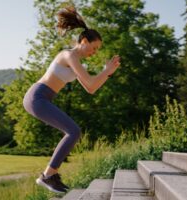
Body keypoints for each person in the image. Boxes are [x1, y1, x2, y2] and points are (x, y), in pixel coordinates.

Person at [23, 6, 121, 193]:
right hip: (37, 97)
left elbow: (91, 88)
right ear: (84, 41)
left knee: (73, 131)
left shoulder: (76, 62)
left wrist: (107, 73)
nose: (94, 52)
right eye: (94, 48)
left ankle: (50, 175)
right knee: (73, 131)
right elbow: (92, 82)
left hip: (43, 99)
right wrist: (106, 70)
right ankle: (48, 176)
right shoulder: (69, 55)